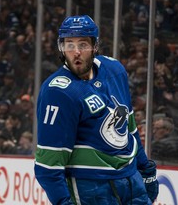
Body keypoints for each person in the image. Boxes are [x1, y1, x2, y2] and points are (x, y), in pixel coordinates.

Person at [34, 15, 159, 205]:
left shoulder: (114, 70)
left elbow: (129, 129)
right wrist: (62, 201)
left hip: (131, 179)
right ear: (62, 47)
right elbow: (48, 165)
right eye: (69, 44)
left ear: (95, 46)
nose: (76, 52)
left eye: (83, 44)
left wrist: (146, 169)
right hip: (90, 187)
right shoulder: (58, 92)